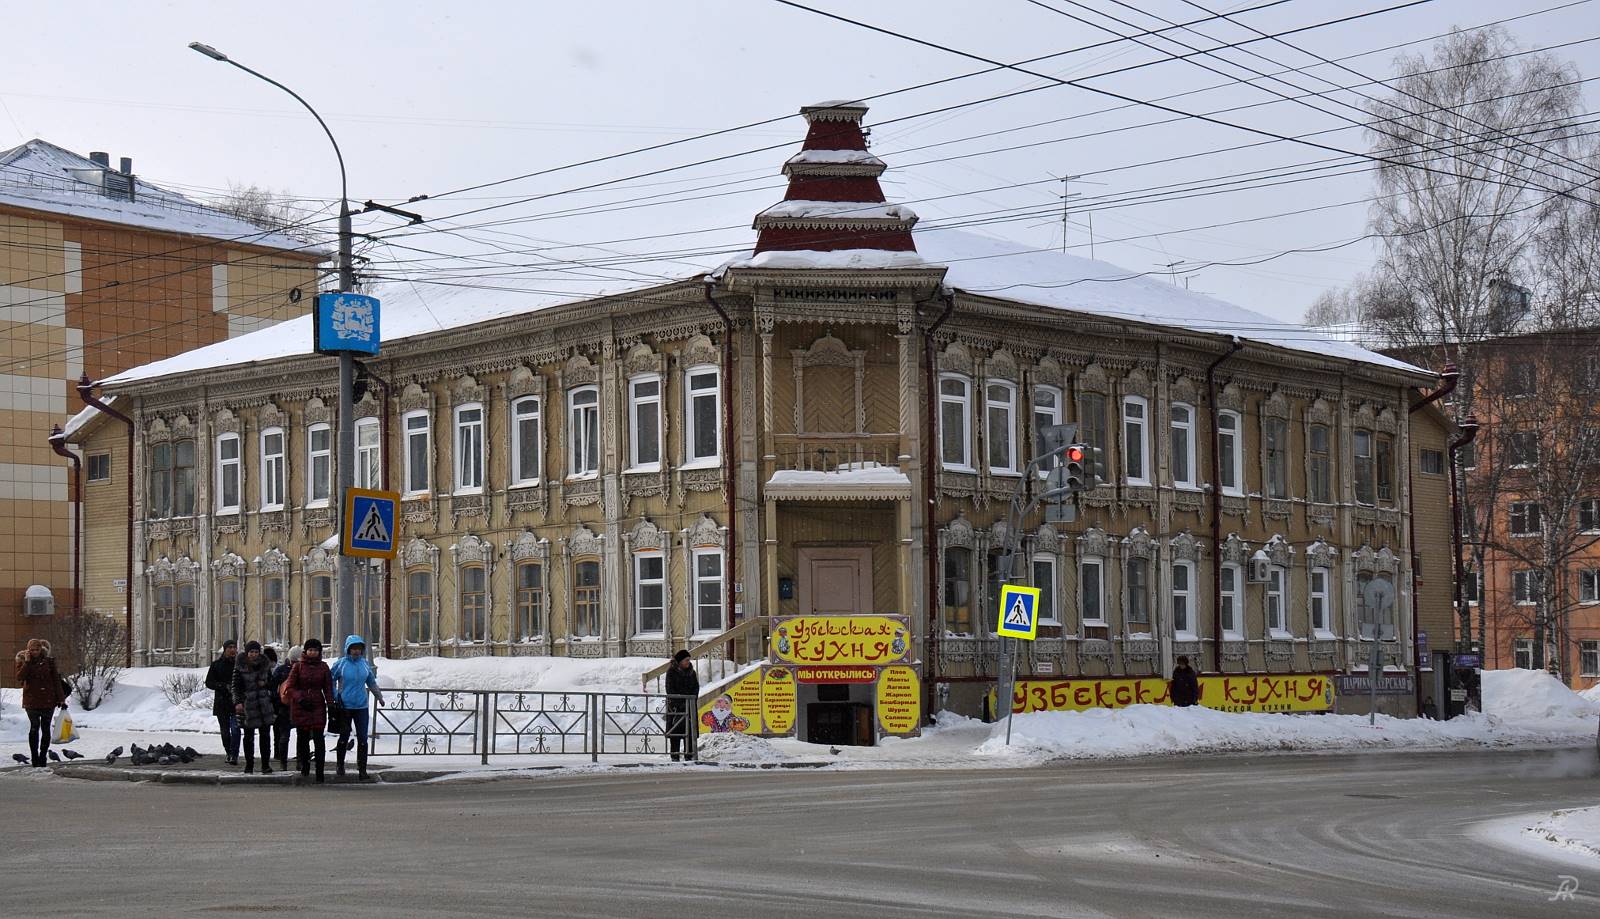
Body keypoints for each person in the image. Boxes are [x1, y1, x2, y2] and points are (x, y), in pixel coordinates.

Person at [329, 634, 386, 780]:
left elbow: (371, 682)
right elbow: (331, 680)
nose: (356, 652)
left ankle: (362, 769)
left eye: (359, 649)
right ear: (348, 649)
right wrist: (336, 696)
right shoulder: (341, 664)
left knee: (362, 737)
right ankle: (340, 765)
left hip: (361, 705)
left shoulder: (364, 664)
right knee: (344, 736)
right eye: (353, 648)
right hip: (345, 705)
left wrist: (379, 697)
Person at [284, 637, 333, 782]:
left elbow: (328, 688)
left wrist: (331, 704)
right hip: (301, 707)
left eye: (316, 650)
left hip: (318, 706)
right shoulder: (298, 667)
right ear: (306, 651)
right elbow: (289, 687)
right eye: (310, 650)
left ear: (319, 652)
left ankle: (320, 771)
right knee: (303, 739)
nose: (313, 653)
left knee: (319, 740)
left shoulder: (324, 667)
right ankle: (305, 767)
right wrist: (300, 698)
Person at [13, 638, 68, 767]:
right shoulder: (23, 660)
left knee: (46, 728)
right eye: (32, 650)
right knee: (34, 728)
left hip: (48, 700)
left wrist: (61, 698)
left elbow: (56, 681)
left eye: (37, 649)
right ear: (28, 650)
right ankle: (34, 757)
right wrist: (27, 662)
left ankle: (43, 756)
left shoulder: (49, 661)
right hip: (31, 701)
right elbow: (20, 677)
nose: (35, 652)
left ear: (41, 649)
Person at [231, 641, 276, 774]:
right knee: (248, 737)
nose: (254, 655)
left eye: (256, 652)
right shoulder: (240, 667)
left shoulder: (265, 666)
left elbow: (272, 684)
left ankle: (265, 765)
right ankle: (249, 765)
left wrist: (265, 685)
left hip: (263, 705)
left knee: (265, 736)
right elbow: (235, 687)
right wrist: (238, 702)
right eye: (251, 652)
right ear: (247, 653)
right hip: (248, 706)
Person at [204, 639, 241, 764]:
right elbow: (209, 682)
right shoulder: (216, 665)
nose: (232, 650)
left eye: (234, 647)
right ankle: (229, 752)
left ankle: (234, 755)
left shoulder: (240, 664)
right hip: (222, 703)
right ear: (224, 650)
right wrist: (222, 686)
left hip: (237, 703)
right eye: (229, 647)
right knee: (225, 732)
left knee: (236, 730)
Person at [664, 649, 699, 762]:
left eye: (689, 660)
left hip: (689, 707)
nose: (688, 662)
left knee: (689, 731)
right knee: (675, 732)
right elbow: (670, 689)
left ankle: (689, 755)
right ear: (679, 661)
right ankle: (675, 755)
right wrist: (680, 702)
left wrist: (691, 700)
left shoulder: (691, 672)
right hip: (676, 708)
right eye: (686, 660)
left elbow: (696, 687)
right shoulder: (671, 672)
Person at [269, 646, 299, 771]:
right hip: (291, 706)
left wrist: (277, 703)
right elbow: (272, 688)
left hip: (288, 706)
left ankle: (285, 761)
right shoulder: (298, 670)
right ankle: (290, 761)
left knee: (286, 735)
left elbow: (272, 688)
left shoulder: (281, 670)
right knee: (288, 735)